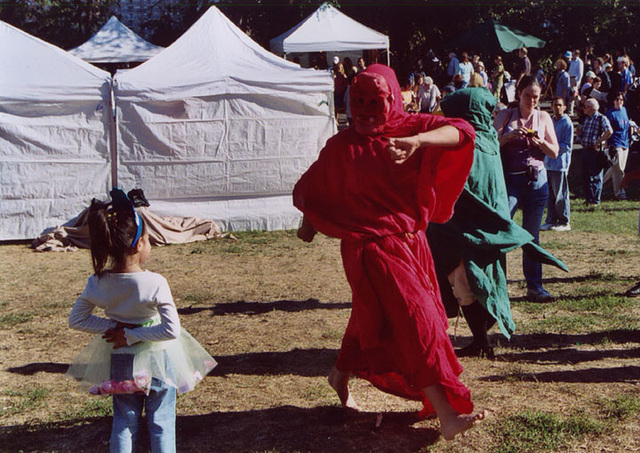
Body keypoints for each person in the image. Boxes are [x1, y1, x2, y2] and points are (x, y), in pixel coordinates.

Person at [293, 64, 487, 440]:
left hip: (411, 245)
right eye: (358, 101)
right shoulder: (341, 146)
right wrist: (309, 224)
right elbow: (314, 189)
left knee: (375, 317)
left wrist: (419, 142)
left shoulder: (410, 127)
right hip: (370, 251)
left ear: (393, 100)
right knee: (419, 322)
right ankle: (447, 415)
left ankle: (338, 373)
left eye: (374, 102)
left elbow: (462, 132)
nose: (365, 109)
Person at [66, 188, 217, 452]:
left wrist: (116, 328)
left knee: (124, 420)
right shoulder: (155, 282)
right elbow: (171, 330)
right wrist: (133, 333)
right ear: (138, 245)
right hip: (159, 359)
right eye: (147, 239)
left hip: (121, 358)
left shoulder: (98, 282)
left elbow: (77, 319)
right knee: (161, 421)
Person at [428, 87, 567, 358]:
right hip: (479, 223)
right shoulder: (488, 138)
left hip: (470, 226)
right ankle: (481, 339)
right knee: (467, 280)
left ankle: (481, 339)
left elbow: (466, 183)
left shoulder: (474, 142)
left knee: (465, 280)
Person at [494, 76, 560, 302]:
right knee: (500, 231)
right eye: (527, 96)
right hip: (511, 181)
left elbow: (555, 152)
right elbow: (491, 142)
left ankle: (535, 287)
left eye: (536, 97)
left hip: (537, 181)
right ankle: (497, 286)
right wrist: (509, 136)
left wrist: (541, 143)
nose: (532, 101)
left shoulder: (543, 117)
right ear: (518, 94)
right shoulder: (506, 115)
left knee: (532, 237)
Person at [542, 97, 574, 231]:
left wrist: (552, 147)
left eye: (560, 105)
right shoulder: (551, 121)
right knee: (550, 194)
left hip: (560, 163)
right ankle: (551, 219)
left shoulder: (567, 123)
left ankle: (563, 221)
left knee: (560, 194)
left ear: (564, 107)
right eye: (555, 105)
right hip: (548, 163)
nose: (557, 108)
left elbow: (567, 145)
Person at [577, 98, 613, 205]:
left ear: (592, 108)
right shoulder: (587, 119)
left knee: (596, 176)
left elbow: (609, 131)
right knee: (586, 176)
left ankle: (595, 200)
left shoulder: (601, 118)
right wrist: (580, 134)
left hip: (595, 152)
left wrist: (599, 141)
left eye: (586, 106)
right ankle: (589, 198)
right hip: (585, 150)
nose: (583, 109)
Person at [604, 92, 634, 200]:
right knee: (619, 169)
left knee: (616, 167)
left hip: (625, 142)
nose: (619, 101)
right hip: (615, 143)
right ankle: (620, 192)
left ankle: (600, 182)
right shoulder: (610, 113)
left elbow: (627, 124)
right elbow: (607, 130)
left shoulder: (624, 110)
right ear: (613, 101)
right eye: (617, 99)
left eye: (621, 99)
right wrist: (606, 145)